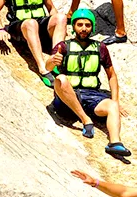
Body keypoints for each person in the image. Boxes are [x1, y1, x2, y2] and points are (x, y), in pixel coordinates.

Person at [46, 9, 130, 158]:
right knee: (61, 79)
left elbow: (112, 76)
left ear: (92, 27)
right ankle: (86, 120)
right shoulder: (63, 46)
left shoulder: (100, 48)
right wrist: (52, 62)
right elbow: (47, 67)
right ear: (74, 26)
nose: (84, 28)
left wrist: (116, 102)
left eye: (87, 25)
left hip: (92, 96)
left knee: (111, 106)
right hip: (68, 97)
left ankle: (115, 143)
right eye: (80, 24)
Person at [0, 0, 66, 88]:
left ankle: (55, 60)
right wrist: (0, 29)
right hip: (19, 26)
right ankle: (42, 68)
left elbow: (51, 8)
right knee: (31, 23)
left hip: (39, 22)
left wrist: (57, 27)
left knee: (61, 18)